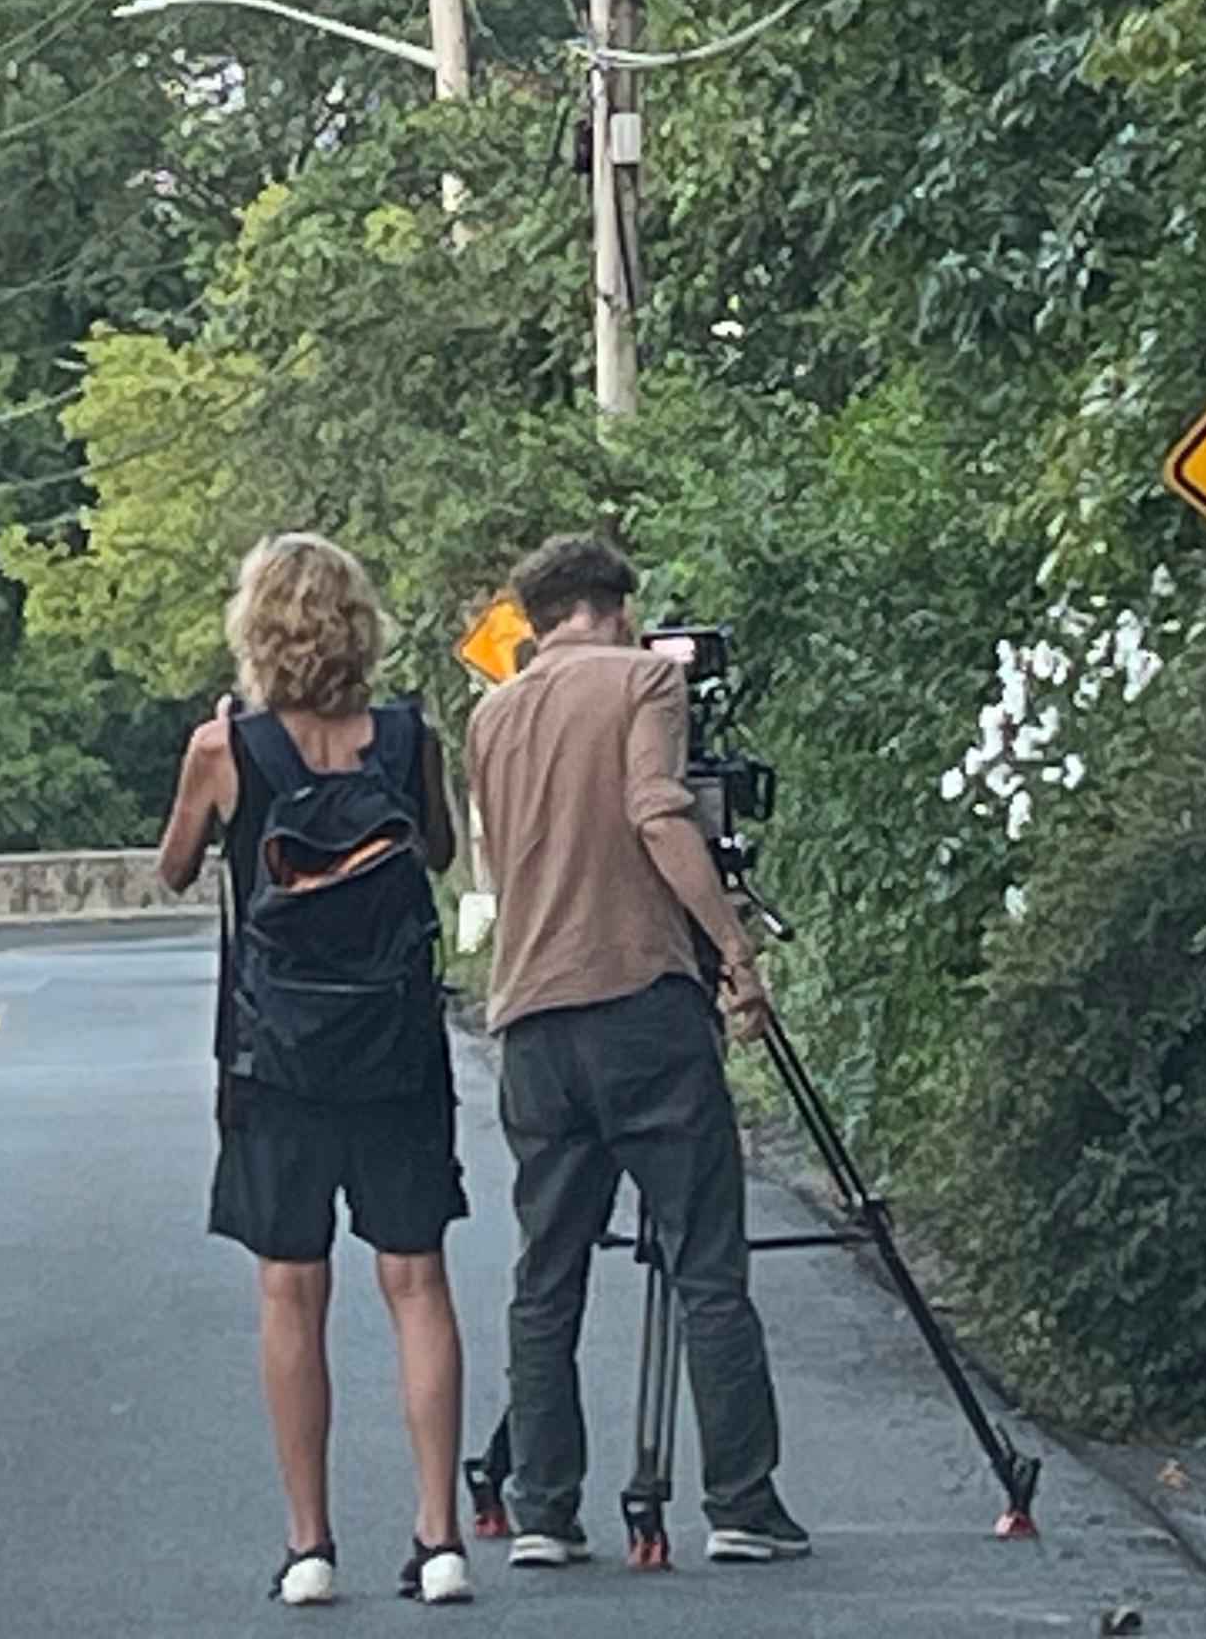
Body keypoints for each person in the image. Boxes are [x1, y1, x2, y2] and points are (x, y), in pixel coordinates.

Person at [468, 532, 809, 1568]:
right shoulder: (644, 683)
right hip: (640, 1002)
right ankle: (741, 1501)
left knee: (547, 1276)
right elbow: (659, 815)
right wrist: (735, 949)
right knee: (706, 1262)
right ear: (615, 607)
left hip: (532, 1018)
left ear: (538, 618)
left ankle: (543, 1509)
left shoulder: (491, 715)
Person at [159, 534, 475, 1608]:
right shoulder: (408, 737)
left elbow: (174, 869)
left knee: (292, 1290)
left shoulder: (226, 748)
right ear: (359, 629)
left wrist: (220, 760)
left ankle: (310, 1547)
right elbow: (437, 852)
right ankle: (439, 1537)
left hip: (277, 1058)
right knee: (417, 1281)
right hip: (397, 1051)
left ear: (256, 631)